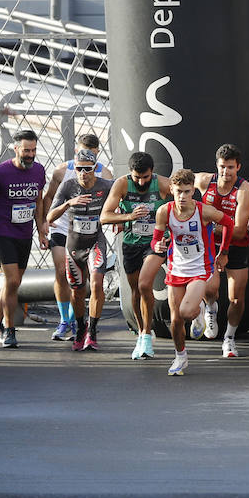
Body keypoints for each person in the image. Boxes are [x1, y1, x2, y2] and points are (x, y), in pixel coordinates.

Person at [152, 169, 233, 376]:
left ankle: (200, 311)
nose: (182, 196)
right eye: (178, 191)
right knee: (176, 319)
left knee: (186, 312)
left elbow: (228, 223)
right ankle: (180, 357)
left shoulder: (203, 211)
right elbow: (156, 238)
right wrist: (158, 246)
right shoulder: (165, 211)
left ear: (193, 192)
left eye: (187, 191)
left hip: (200, 269)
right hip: (176, 268)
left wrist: (223, 252)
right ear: (171, 190)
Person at [100, 153, 172, 360]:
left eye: (145, 177)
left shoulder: (163, 184)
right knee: (136, 290)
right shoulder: (122, 184)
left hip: (156, 242)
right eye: (137, 178)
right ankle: (142, 334)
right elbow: (105, 216)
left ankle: (147, 337)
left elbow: (183, 208)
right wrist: (128, 216)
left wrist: (170, 232)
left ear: (152, 172)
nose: (141, 182)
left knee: (144, 284)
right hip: (132, 243)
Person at [0, 130, 48, 346]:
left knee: (12, 285)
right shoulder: (0, 173)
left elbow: (38, 202)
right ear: (16, 148)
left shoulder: (38, 170)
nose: (30, 154)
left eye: (34, 150)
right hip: (3, 233)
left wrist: (41, 231)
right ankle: (9, 331)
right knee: (12, 281)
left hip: (25, 234)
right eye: (26, 150)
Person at [41, 133, 109, 343]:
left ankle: (93, 331)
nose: (82, 172)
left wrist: (120, 221)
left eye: (87, 168)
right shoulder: (65, 179)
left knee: (96, 282)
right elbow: (50, 207)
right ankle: (71, 323)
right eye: (78, 168)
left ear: (95, 165)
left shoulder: (106, 180)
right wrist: (67, 205)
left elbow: (119, 198)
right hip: (67, 233)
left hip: (95, 238)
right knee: (71, 282)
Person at [195, 144, 249, 356]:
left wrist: (209, 224)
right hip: (210, 245)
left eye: (230, 167)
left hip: (235, 246)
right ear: (216, 166)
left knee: (236, 298)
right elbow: (177, 181)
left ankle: (229, 338)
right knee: (210, 289)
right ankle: (210, 307)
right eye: (222, 167)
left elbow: (238, 232)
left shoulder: (244, 189)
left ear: (238, 167)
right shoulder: (204, 181)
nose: (226, 172)